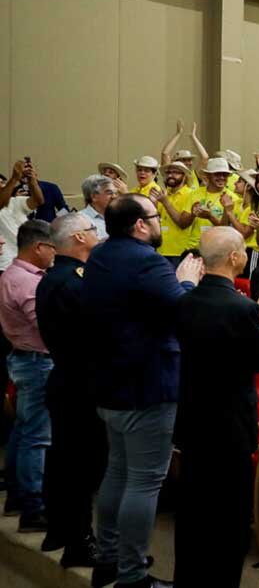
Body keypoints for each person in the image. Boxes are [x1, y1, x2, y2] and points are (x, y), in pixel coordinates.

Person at [83, 194, 203, 588]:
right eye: (155, 218)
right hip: (146, 385)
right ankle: (132, 575)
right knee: (145, 480)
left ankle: (108, 558)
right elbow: (184, 311)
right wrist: (187, 279)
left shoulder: (100, 254)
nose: (161, 224)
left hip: (110, 381)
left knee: (117, 471)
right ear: (139, 225)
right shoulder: (147, 261)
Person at [173, 227, 259, 588]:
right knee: (229, 518)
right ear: (236, 258)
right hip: (230, 428)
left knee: (191, 513)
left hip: (192, 420)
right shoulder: (243, 308)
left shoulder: (184, 300)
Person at [36, 214, 104, 566]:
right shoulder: (74, 282)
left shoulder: (55, 277)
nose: (97, 233)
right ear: (79, 238)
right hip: (81, 385)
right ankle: (80, 542)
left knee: (63, 462)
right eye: (93, 230)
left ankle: (59, 532)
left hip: (67, 380)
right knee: (80, 469)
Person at [0, 220, 57, 532]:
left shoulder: (14, 273)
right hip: (37, 361)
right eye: (52, 247)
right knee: (37, 435)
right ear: (39, 247)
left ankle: (17, 495)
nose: (54, 253)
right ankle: (32, 506)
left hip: (23, 358)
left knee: (23, 429)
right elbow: (45, 323)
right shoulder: (27, 282)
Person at [150, 162, 196, 266]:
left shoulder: (191, 194)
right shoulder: (165, 194)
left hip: (179, 252)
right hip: (161, 249)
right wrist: (153, 203)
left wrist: (165, 202)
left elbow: (182, 223)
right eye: (168, 172)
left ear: (184, 176)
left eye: (176, 172)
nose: (171, 175)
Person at [80, 174, 117, 241]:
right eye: (109, 193)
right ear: (94, 196)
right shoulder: (81, 220)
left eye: (115, 193)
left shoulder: (119, 216)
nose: (114, 197)